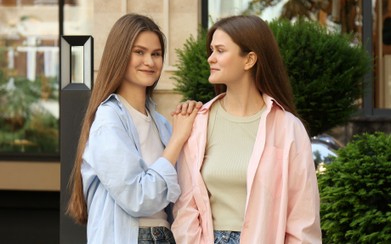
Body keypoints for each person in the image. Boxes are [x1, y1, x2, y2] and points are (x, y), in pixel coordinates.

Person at [171, 15, 322, 243]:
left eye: (220, 50)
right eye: (211, 50)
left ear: (249, 59)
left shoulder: (288, 128)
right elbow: (186, 206)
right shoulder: (199, 122)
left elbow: (303, 218)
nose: (210, 58)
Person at [66, 13, 201, 243]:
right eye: (139, 52)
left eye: (156, 54)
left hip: (165, 235)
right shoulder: (109, 119)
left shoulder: (162, 124)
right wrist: (178, 140)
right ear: (120, 55)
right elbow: (138, 198)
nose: (149, 62)